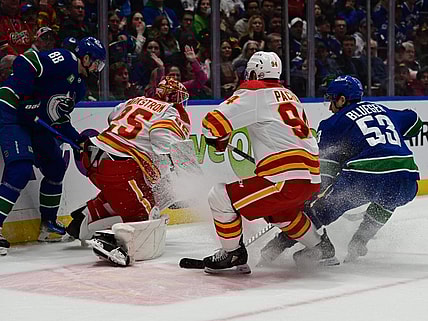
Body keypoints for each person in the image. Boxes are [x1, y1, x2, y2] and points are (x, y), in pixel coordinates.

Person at [199, 51, 339, 274]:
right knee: (282, 213)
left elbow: (212, 123)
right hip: (311, 178)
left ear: (254, 72)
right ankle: (321, 247)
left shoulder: (254, 91)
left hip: (284, 179)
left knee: (220, 196)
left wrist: (218, 140)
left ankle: (233, 254)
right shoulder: (290, 95)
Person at [261, 75, 422, 263]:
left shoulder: (333, 123)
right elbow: (415, 121)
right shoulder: (384, 110)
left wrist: (310, 196)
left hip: (366, 178)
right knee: (388, 196)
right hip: (408, 180)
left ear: (342, 99)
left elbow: (325, 172)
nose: (330, 107)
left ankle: (278, 248)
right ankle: (359, 241)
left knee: (322, 211)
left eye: (332, 100)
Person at [65, 76, 191, 265]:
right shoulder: (171, 112)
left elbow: (112, 117)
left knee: (133, 192)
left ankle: (87, 216)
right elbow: (163, 141)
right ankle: (110, 241)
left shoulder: (135, 100)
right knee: (145, 217)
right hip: (118, 166)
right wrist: (181, 170)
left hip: (93, 157)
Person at [0, 36, 106, 255]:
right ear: (85, 58)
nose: (97, 68)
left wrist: (78, 140)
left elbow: (57, 119)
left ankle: (48, 226)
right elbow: (25, 62)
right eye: (96, 62)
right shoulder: (65, 59)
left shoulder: (79, 88)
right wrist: (26, 97)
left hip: (32, 121)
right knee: (20, 169)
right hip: (12, 110)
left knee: (56, 166)